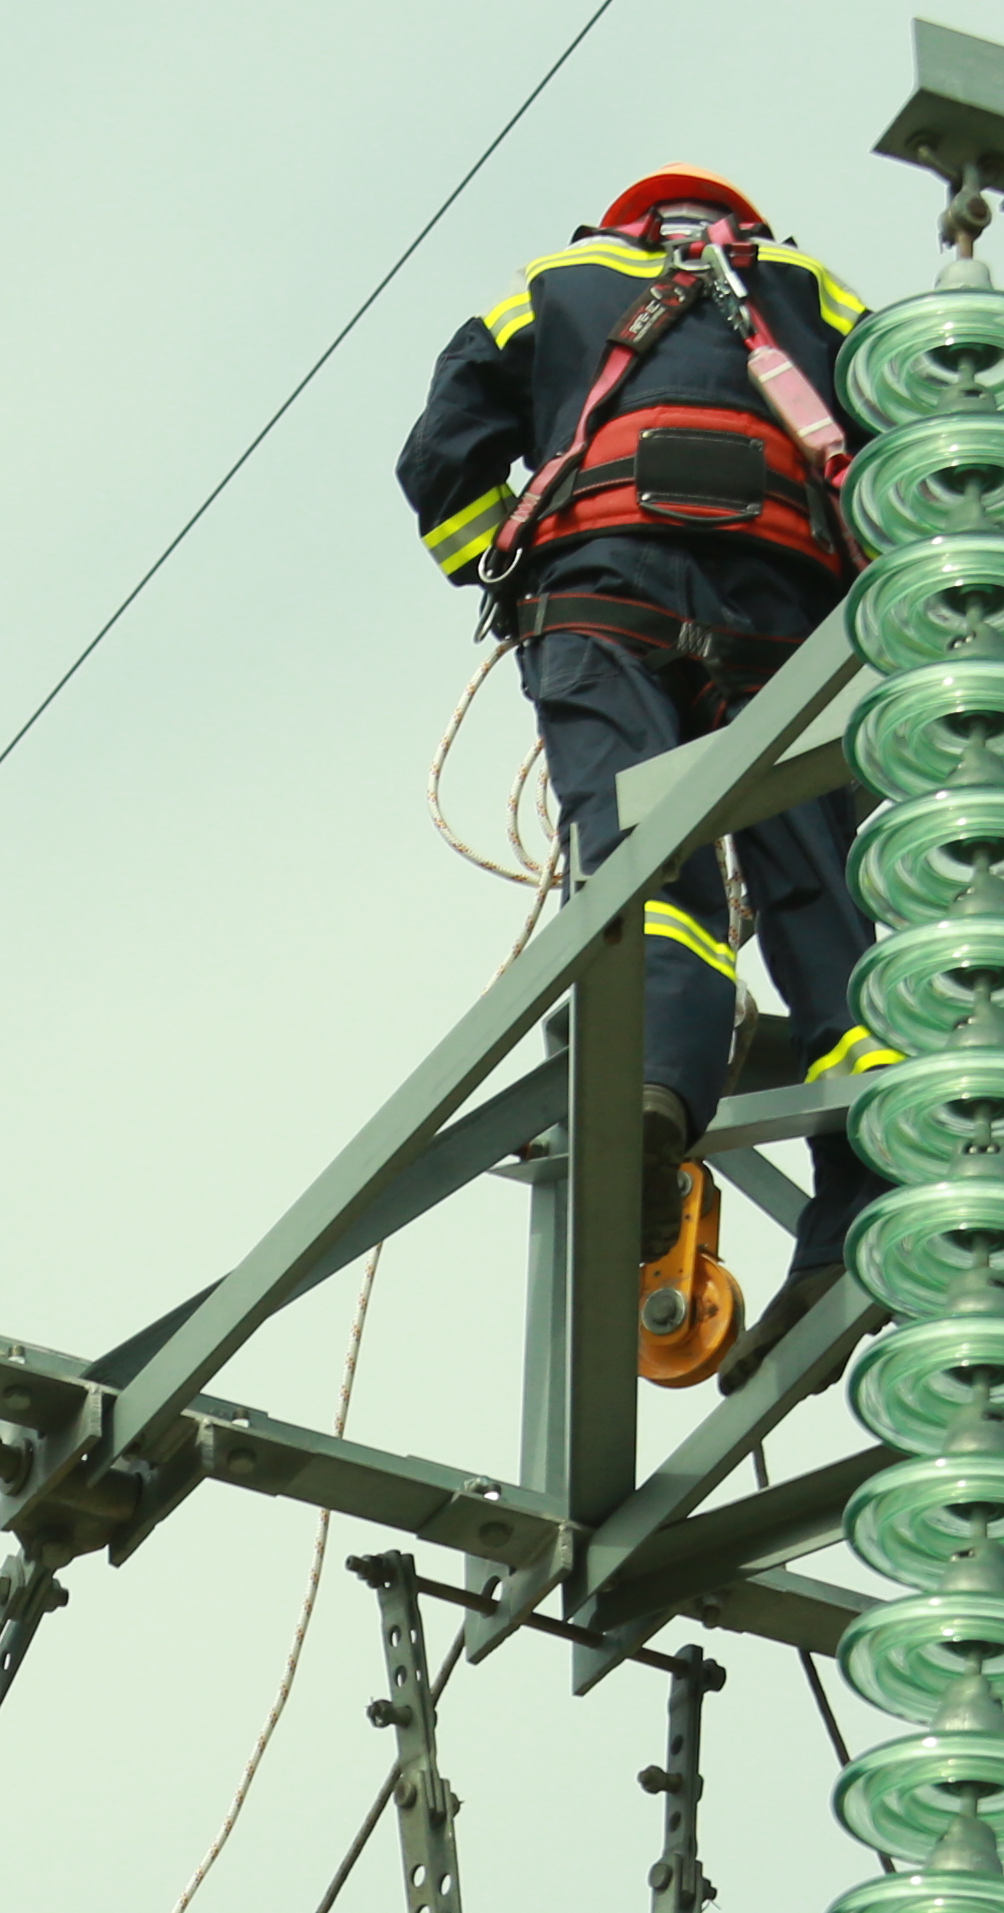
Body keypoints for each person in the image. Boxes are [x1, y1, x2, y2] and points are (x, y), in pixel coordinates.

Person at [397, 168, 895, 1345]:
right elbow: (913, 437)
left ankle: (655, 1089)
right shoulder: (816, 293)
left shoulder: (560, 282)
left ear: (624, 224)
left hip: (607, 591)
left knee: (636, 851)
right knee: (818, 882)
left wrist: (495, 566)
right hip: (787, 611)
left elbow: (447, 443)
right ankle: (869, 1177)